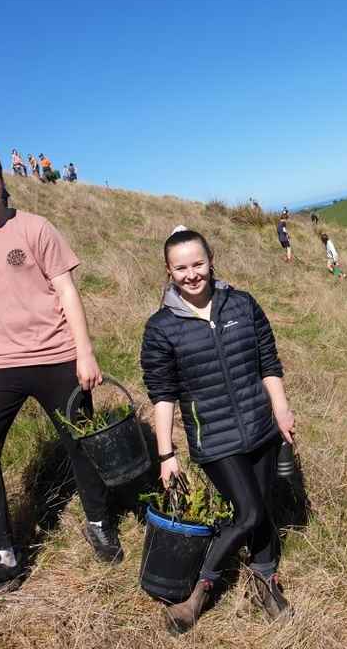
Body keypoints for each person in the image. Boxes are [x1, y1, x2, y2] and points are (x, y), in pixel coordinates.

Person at [0, 142, 118, 605]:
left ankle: (99, 521)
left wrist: (85, 351)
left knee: (81, 441)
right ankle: (1, 555)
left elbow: (67, 291)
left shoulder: (34, 227)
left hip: (59, 354)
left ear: (0, 177)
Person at [141, 228, 296, 635]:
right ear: (168, 271)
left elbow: (269, 362)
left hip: (261, 426)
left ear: (211, 261)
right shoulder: (161, 327)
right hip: (214, 438)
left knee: (261, 509)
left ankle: (265, 581)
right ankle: (199, 590)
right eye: (181, 268)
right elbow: (162, 395)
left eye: (198, 263)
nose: (191, 274)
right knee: (249, 512)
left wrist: (280, 409)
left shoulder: (242, 305)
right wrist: (166, 452)